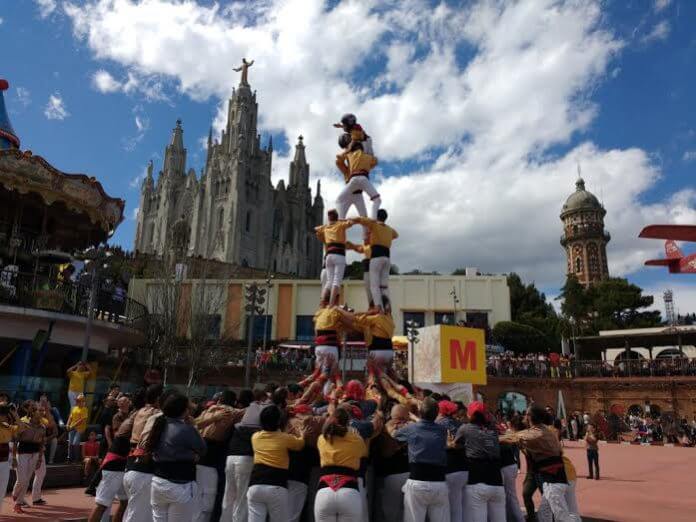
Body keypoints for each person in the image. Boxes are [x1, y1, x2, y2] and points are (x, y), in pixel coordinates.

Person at [500, 404, 579, 522]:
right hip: (555, 479)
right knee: (545, 514)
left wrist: (485, 436)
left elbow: (512, 437)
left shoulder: (536, 433)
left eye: (526, 414)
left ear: (530, 417)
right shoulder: (544, 429)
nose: (524, 417)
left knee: (562, 517)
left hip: (554, 480)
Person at [147, 391, 207, 522]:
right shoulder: (186, 428)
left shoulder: (159, 424)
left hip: (158, 482)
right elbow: (202, 449)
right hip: (180, 484)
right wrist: (191, 455)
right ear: (185, 410)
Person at [393, 397, 450, 522]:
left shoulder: (411, 428)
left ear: (420, 412)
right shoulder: (442, 430)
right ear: (436, 413)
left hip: (417, 482)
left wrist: (409, 420)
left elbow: (395, 435)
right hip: (439, 483)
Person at [247, 405, 305, 521]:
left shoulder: (255, 437)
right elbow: (299, 445)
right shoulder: (285, 438)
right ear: (279, 422)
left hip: (255, 485)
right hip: (276, 485)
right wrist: (302, 434)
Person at [194, 390, 244, 522]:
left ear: (219, 400)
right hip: (212, 456)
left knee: (197, 495)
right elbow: (249, 411)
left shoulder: (208, 410)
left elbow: (194, 424)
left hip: (199, 456)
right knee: (208, 498)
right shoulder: (230, 412)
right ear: (234, 402)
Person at [221, 388, 268, 522]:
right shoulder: (258, 411)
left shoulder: (241, 413)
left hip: (231, 456)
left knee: (229, 494)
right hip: (245, 458)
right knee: (241, 498)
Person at [314, 407, 367, 521]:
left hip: (324, 492)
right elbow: (363, 454)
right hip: (349, 492)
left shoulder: (321, 438)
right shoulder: (357, 439)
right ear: (348, 422)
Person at [456, 402, 505, 522]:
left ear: (469, 414)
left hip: (477, 481)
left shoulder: (465, 429)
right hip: (497, 482)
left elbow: (456, 444)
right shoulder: (493, 429)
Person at [123, 384, 164, 522]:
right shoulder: (157, 414)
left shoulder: (139, 411)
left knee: (132, 511)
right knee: (136, 515)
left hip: (131, 463)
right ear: (159, 398)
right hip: (143, 468)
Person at [351, 210, 398, 312]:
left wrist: (348, 220)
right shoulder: (389, 229)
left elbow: (360, 220)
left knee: (374, 284)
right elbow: (396, 235)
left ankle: (378, 306)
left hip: (376, 255)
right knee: (384, 284)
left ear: (377, 217)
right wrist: (385, 236)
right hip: (387, 257)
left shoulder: (374, 224)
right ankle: (387, 305)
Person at [378, 404, 414, 522]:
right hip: (410, 474)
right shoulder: (412, 427)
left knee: (391, 512)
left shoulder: (385, 426)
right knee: (410, 512)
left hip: (392, 475)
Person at [11, 400, 47, 514]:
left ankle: (18, 503)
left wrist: (40, 458)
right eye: (39, 410)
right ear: (32, 411)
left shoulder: (42, 426)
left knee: (26, 480)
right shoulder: (23, 422)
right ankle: (15, 494)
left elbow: (41, 443)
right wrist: (13, 457)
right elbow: (15, 440)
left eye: (42, 410)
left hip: (35, 454)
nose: (42, 412)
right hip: (22, 454)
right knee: (22, 480)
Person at [436, 400, 469, 522]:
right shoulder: (460, 424)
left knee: (452, 508)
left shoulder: (438, 425)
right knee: (462, 507)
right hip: (464, 469)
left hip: (450, 469)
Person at [315, 210, 353, 306]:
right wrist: (340, 220)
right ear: (337, 217)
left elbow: (316, 229)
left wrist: (328, 224)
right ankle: (331, 305)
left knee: (329, 282)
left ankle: (322, 301)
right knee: (336, 281)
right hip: (339, 254)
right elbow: (351, 222)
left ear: (329, 218)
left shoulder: (326, 228)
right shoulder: (340, 225)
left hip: (328, 257)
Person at [335, 141, 381, 220]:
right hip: (359, 184)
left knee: (339, 201)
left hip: (355, 188)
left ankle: (340, 224)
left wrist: (347, 151)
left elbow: (338, 159)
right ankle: (372, 222)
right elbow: (375, 161)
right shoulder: (367, 157)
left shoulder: (349, 155)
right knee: (367, 213)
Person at [0, 403, 16, 514]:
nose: (6, 416)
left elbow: (21, 428)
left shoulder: (7, 426)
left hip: (4, 462)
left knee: (2, 491)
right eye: (4, 414)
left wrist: (15, 415)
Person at [66, 393, 89, 462]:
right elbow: (70, 417)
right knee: (70, 443)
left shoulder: (84, 409)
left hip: (80, 429)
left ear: (83, 401)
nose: (77, 402)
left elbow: (81, 420)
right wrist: (67, 424)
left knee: (75, 443)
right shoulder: (74, 408)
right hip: (72, 428)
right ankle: (69, 458)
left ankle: (76, 459)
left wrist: (72, 426)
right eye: (77, 400)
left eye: (79, 400)